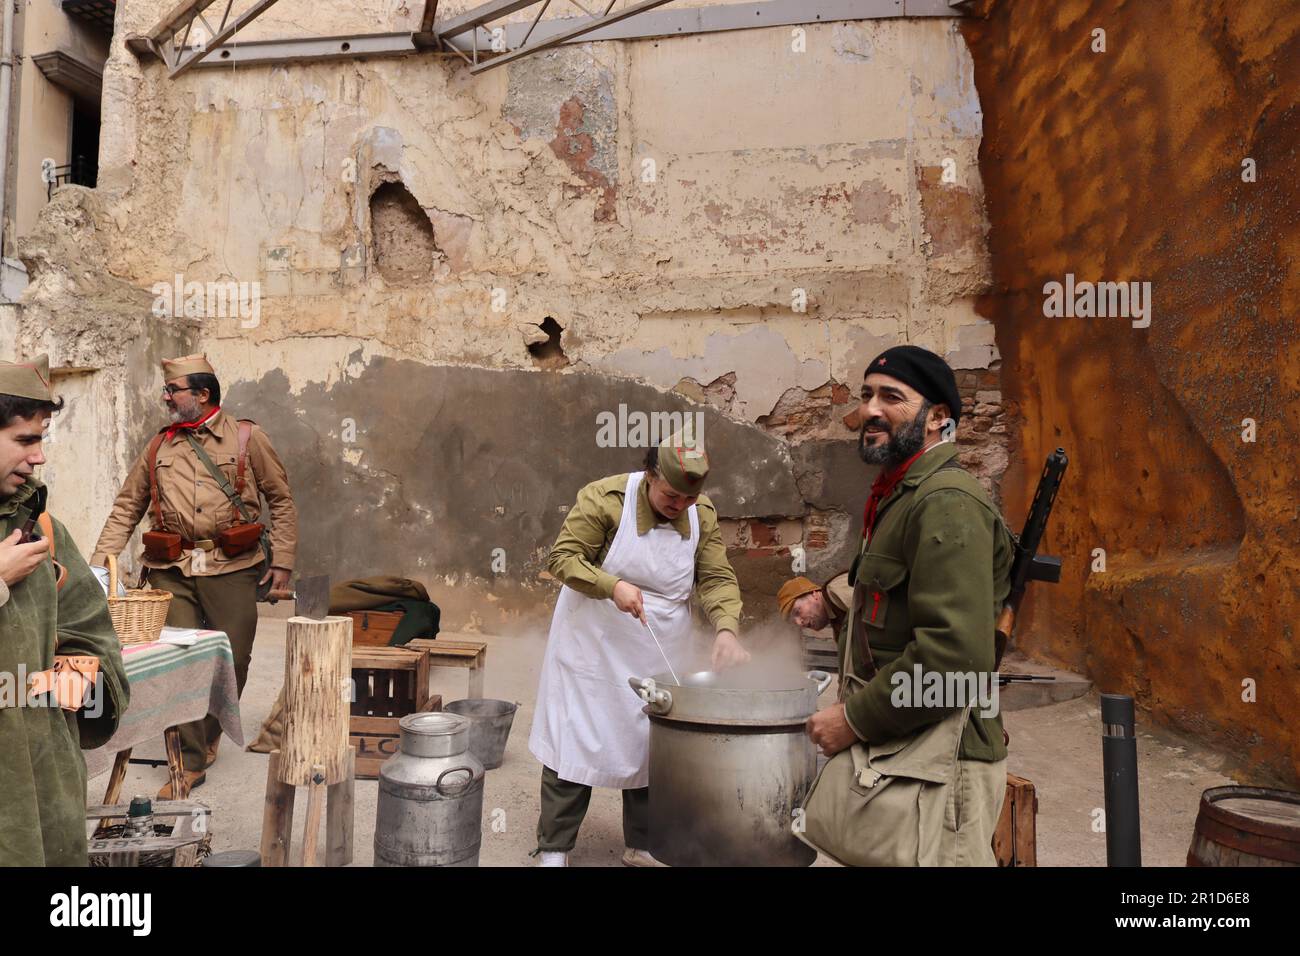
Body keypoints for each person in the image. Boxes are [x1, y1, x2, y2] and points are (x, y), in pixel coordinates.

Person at [804, 345, 1014, 866]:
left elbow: (955, 661)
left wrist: (853, 720)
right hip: (907, 750)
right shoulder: (900, 495)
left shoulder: (945, 502)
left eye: (892, 397)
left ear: (938, 417)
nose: (870, 409)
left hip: (945, 767)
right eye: (867, 395)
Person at [528, 429, 749, 867]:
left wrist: (726, 628)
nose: (680, 507)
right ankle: (554, 847)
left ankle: (644, 843)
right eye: (671, 496)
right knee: (577, 740)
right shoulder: (606, 498)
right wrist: (613, 587)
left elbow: (716, 578)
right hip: (594, 634)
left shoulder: (701, 512)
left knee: (653, 744)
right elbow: (564, 558)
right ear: (650, 474)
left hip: (659, 638)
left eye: (689, 499)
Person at [90, 354, 297, 797]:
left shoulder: (247, 438)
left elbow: (281, 500)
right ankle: (189, 759)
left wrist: (282, 562)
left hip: (231, 567)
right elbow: (128, 507)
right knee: (179, 660)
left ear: (202, 394)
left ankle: (209, 729)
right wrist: (99, 566)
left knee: (232, 657)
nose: (166, 396)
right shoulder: (158, 446)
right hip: (171, 569)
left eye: (174, 390)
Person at [0, 355, 129, 865]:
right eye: (25, 441)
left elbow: (89, 630)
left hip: (42, 772)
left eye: (41, 440)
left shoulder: (42, 527)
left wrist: (72, 681)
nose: (39, 459)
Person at [778, 573, 852, 634]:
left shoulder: (835, 591)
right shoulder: (835, 617)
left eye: (797, 612)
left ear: (814, 594)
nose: (799, 623)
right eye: (794, 621)